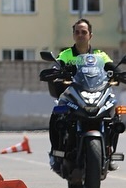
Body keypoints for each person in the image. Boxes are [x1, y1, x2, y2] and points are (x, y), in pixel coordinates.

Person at [48, 19, 112, 172]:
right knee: (56, 115)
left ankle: (109, 151)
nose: (80, 35)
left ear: (90, 35)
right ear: (73, 35)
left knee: (114, 115)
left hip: (96, 93)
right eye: (77, 32)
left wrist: (118, 72)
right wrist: (55, 71)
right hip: (72, 95)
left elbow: (111, 67)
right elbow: (57, 65)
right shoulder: (66, 54)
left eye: (84, 32)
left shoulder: (99, 55)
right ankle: (57, 153)